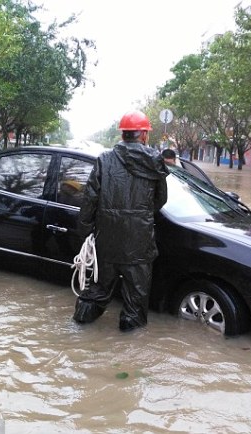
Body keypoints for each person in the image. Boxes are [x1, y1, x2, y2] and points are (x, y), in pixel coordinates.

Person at [73, 110, 169, 332]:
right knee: (136, 301)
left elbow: (89, 200)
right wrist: (140, 216)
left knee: (97, 291)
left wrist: (86, 233)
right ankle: (129, 345)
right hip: (139, 243)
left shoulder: (104, 160)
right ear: (144, 135)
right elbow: (160, 200)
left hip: (106, 241)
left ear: (123, 134)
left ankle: (77, 329)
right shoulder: (155, 161)